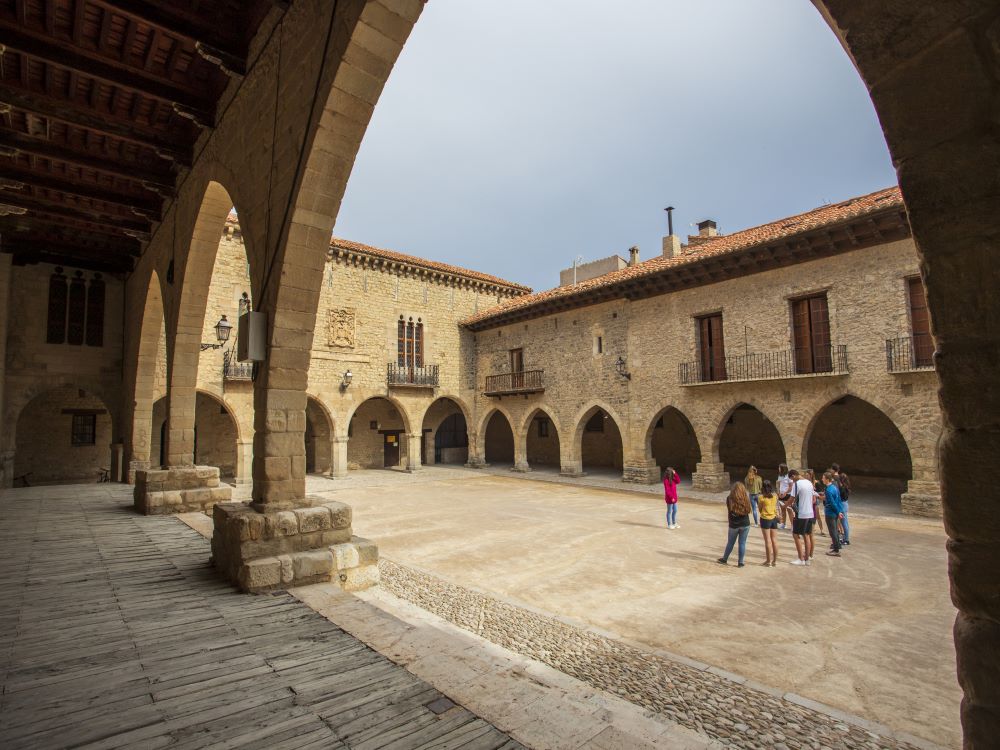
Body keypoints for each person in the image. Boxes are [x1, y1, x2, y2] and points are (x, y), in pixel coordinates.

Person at [718, 482, 752, 567]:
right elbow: (748, 510)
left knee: (730, 543)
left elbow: (730, 510)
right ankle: (740, 562)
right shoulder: (746, 498)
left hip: (734, 524)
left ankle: (725, 559)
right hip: (745, 524)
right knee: (742, 543)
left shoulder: (729, 499)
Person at [788, 469, 815, 566]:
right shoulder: (809, 483)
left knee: (796, 535)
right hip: (810, 513)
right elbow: (812, 497)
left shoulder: (797, 484)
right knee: (806, 535)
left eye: (792, 479)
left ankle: (801, 558)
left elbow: (791, 498)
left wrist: (784, 505)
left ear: (793, 476)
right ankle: (807, 559)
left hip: (801, 514)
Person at [822, 471, 846, 556]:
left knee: (833, 532)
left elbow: (832, 503)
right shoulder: (834, 487)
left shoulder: (828, 490)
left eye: (823, 478)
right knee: (835, 530)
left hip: (830, 513)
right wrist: (839, 511)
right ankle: (838, 546)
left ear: (827, 479)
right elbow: (838, 500)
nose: (822, 479)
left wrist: (838, 512)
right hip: (835, 513)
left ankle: (836, 550)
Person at [758, 479, 779, 566]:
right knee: (774, 540)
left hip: (765, 518)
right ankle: (775, 561)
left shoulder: (761, 497)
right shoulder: (775, 496)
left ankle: (768, 561)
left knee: (767, 541)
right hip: (774, 518)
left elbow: (760, 509)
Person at [832, 463, 851, 546]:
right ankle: (845, 538)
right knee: (845, 522)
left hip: (842, 505)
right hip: (845, 504)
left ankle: (846, 540)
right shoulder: (846, 486)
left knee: (844, 522)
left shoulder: (842, 488)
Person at [807, 469, 826, 537]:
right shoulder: (806, 482)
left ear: (811, 475)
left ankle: (821, 529)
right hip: (808, 500)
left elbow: (821, 493)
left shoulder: (816, 483)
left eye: (808, 475)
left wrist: (814, 493)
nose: (807, 476)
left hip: (815, 500)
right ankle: (812, 528)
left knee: (817, 516)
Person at [776, 464, 793, 529]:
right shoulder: (780, 476)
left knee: (789, 510)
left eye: (779, 468)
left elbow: (791, 486)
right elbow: (779, 484)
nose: (778, 469)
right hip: (781, 494)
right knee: (782, 509)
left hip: (787, 495)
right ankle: (783, 523)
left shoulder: (788, 476)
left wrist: (785, 493)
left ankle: (792, 525)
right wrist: (778, 492)